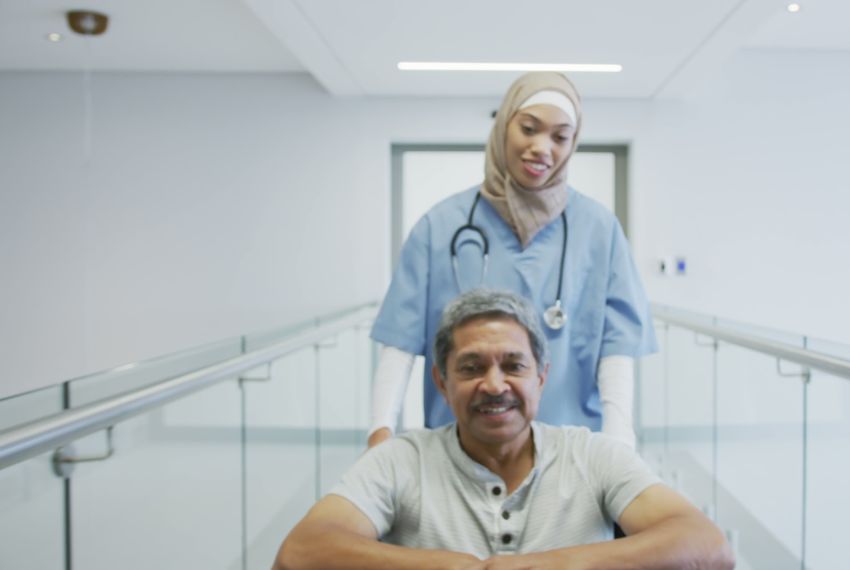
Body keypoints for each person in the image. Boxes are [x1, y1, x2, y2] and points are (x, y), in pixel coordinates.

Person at [274, 290, 733, 570]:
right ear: (441, 381)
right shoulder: (401, 461)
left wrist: (554, 565)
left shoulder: (593, 455)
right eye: (471, 368)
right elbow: (300, 553)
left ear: (541, 376)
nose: (494, 385)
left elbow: (708, 547)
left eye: (513, 365)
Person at [369, 72, 655, 449]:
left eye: (559, 136)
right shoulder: (440, 225)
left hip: (569, 449)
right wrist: (381, 430)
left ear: (573, 144)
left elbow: (617, 350)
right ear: (504, 127)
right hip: (461, 450)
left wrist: (620, 442)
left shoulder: (599, 229)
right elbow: (399, 343)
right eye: (529, 128)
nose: (542, 147)